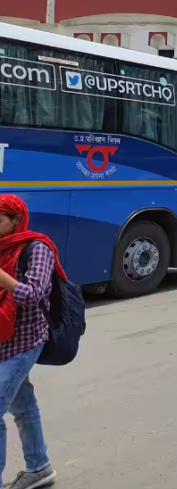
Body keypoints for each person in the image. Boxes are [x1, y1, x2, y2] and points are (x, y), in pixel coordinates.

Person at [0, 195, 62, 489]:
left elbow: (33, 295)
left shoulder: (38, 248)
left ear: (16, 220)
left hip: (24, 340)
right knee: (22, 405)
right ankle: (39, 467)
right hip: (1, 339)